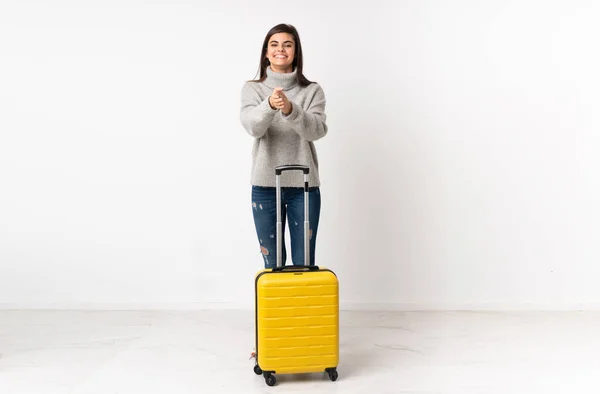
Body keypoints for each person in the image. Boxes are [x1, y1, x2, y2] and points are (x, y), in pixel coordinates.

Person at [240, 23, 328, 269]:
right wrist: (269, 105)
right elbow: (253, 127)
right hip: (265, 186)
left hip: (304, 186)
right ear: (266, 53)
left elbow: (317, 130)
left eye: (288, 44)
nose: (281, 49)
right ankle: (277, 308)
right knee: (273, 262)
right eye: (274, 44)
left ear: (296, 52)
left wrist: (291, 109)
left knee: (305, 261)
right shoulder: (253, 89)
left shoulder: (312, 91)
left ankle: (302, 308)